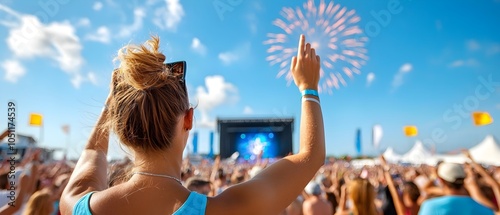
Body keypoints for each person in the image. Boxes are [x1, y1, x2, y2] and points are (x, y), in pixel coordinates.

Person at [61, 34, 325, 215]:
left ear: (117, 125)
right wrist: (308, 88)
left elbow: (92, 155)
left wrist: (113, 102)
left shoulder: (78, 205)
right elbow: (311, 157)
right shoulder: (226, 210)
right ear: (189, 119)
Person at [418, 162, 494, 215]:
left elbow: (426, 188)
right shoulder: (485, 209)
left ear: (441, 180)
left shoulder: (430, 207)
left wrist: (433, 176)